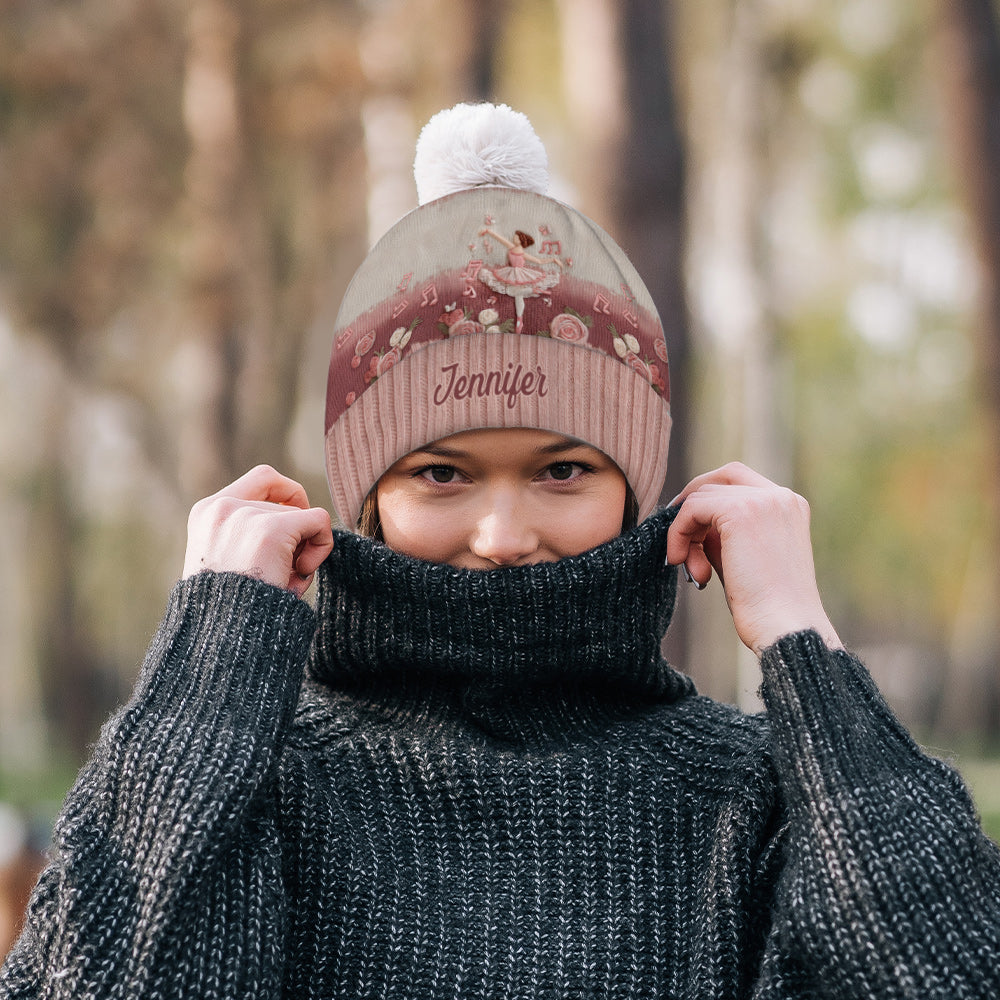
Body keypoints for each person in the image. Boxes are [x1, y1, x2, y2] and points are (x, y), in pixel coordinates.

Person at [2, 102, 998, 1000]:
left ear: (632, 491)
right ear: (368, 498)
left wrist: (803, 644)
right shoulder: (259, 785)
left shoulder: (750, 798)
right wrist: (203, 680)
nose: (504, 535)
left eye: (563, 469)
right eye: (441, 473)